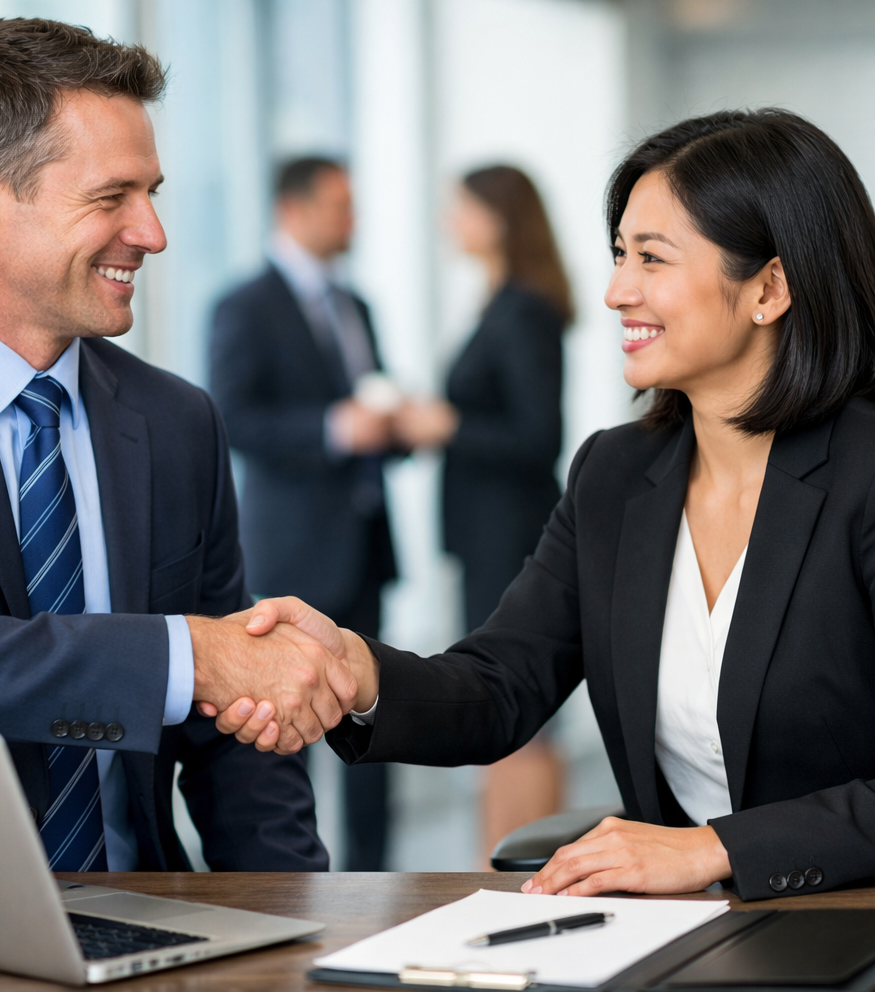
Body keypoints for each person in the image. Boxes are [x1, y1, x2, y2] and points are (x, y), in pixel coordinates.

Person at [208, 108, 875, 902]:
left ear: (768, 287)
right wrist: (357, 670)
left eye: (652, 258)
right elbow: (501, 684)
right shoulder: (616, 475)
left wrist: (714, 849)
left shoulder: (863, 475)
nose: (616, 291)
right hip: (680, 925)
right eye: (620, 254)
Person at [0, 18, 358, 874]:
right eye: (110, 196)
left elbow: (232, 733)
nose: (152, 233)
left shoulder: (177, 421)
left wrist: (299, 920)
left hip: (148, 911)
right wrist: (185, 654)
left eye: (151, 192)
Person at [209, 157, 397, 871]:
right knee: (293, 725)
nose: (354, 220)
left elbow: (368, 399)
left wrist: (390, 426)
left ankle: (381, 881)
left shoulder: (357, 304)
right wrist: (331, 429)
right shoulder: (244, 305)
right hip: (293, 551)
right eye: (340, 205)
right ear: (293, 209)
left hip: (365, 541)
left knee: (376, 718)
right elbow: (232, 417)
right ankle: (302, 881)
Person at [396, 165, 570, 866]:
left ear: (497, 219)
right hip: (487, 530)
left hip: (509, 532)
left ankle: (520, 869)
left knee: (512, 703)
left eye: (460, 209)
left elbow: (538, 436)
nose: (450, 223)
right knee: (507, 709)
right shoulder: (500, 301)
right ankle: (507, 864)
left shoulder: (523, 309)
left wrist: (449, 424)